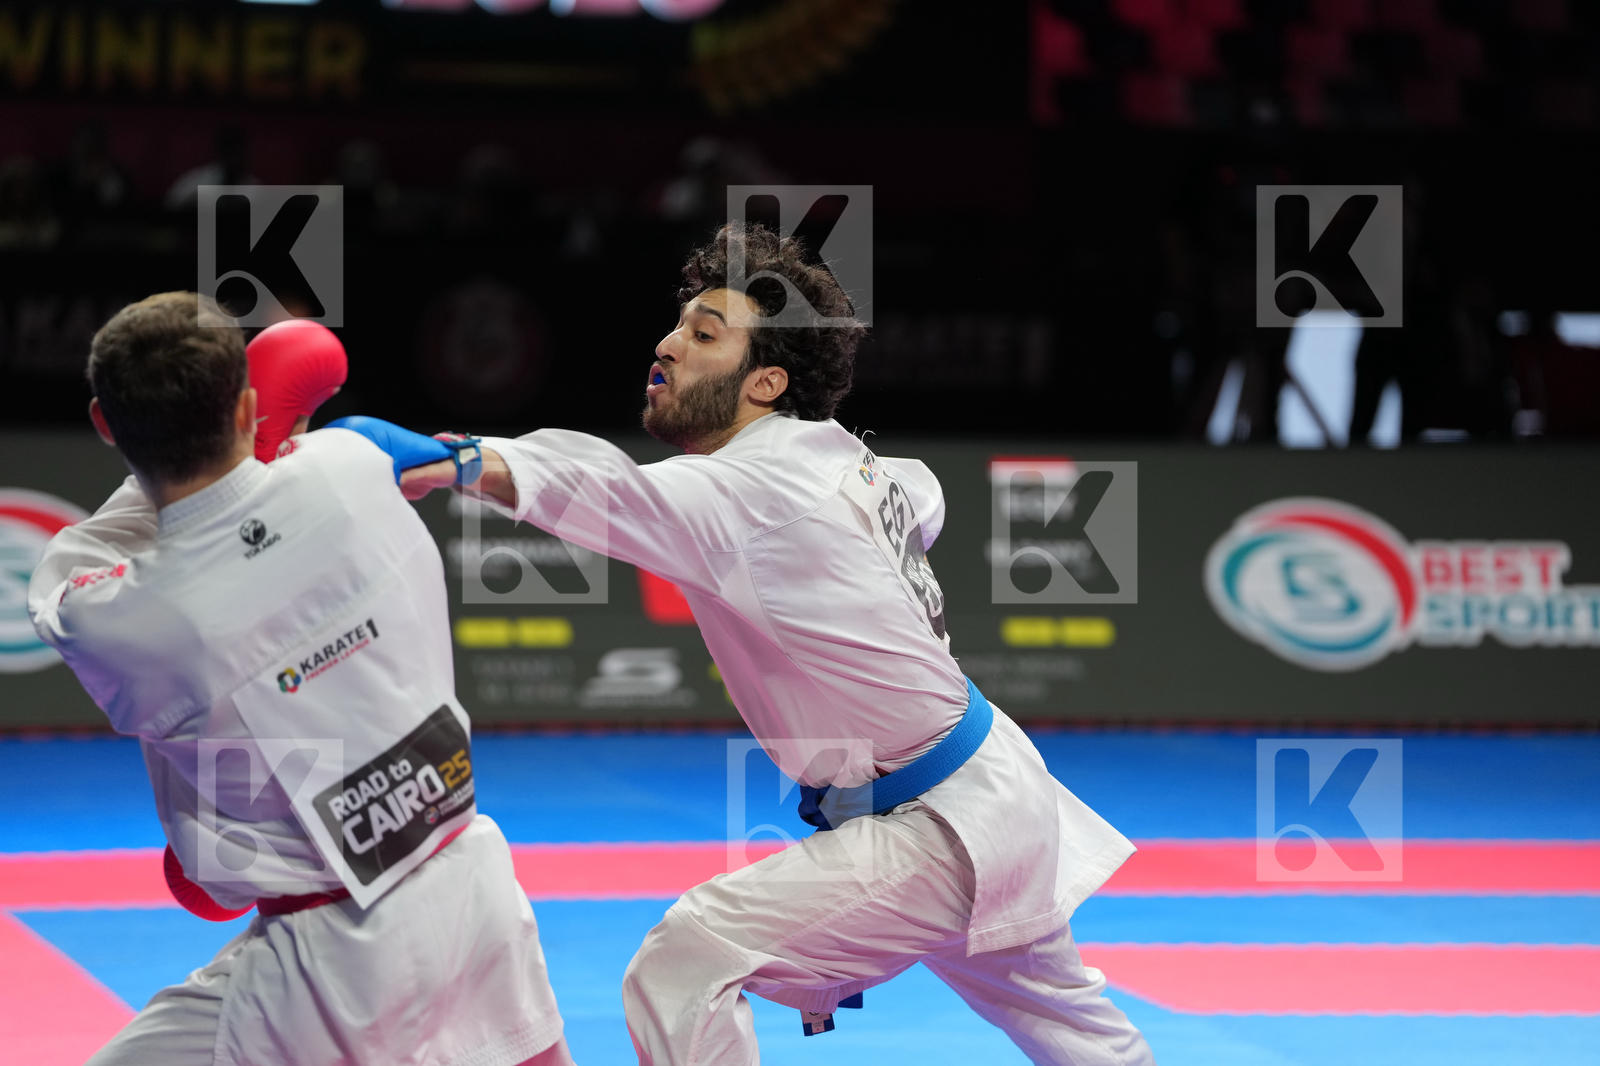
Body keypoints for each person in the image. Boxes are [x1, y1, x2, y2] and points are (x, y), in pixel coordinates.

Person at [398, 223, 1156, 1065]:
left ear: (766, 382)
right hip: (987, 792)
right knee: (1081, 1036)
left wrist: (469, 459)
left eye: (704, 335)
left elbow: (606, 489)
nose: (668, 343)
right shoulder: (838, 462)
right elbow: (925, 492)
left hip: (940, 824)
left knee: (688, 959)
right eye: (681, 325)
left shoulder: (756, 480)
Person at [27, 293, 576, 1066]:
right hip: (471, 884)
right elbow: (342, 418)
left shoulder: (121, 620)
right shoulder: (350, 469)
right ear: (247, 403)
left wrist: (196, 450)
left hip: (331, 965)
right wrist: (251, 434)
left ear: (106, 426)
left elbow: (78, 568)